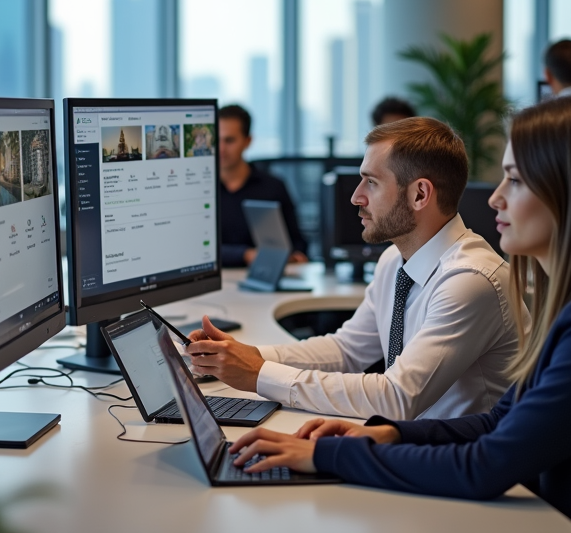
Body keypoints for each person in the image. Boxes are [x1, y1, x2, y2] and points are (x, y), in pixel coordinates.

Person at [227, 95, 571, 533]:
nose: (494, 198)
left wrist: (324, 456)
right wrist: (387, 435)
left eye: (515, 179)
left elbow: (487, 464)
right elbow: (499, 422)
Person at [191, 116, 526, 420]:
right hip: (416, 446)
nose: (355, 196)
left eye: (371, 182)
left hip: (462, 465)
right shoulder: (395, 260)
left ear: (420, 194)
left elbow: (397, 397)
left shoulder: (469, 280)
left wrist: (258, 375)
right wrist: (242, 356)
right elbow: (347, 350)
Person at [218, 104, 307, 268]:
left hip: (264, 275)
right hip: (215, 279)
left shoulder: (273, 187)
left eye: (229, 140)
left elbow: (297, 243)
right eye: (216, 140)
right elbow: (193, 250)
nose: (221, 149)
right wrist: (245, 254)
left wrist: (292, 255)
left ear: (247, 141)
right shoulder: (199, 190)